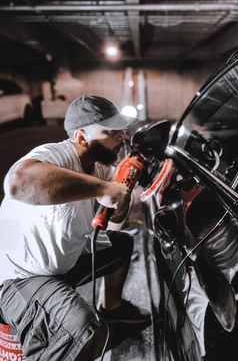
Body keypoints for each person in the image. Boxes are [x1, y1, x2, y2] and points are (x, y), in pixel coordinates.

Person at [0, 95, 150, 361]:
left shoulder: (101, 167)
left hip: (65, 261)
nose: (121, 138)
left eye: (121, 131)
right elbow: (16, 182)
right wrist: (103, 189)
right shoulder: (55, 155)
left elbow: (113, 224)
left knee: (122, 244)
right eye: (111, 132)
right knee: (80, 327)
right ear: (81, 138)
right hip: (20, 278)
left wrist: (122, 195)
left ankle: (112, 308)